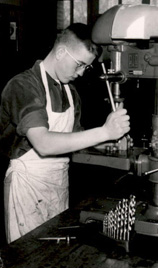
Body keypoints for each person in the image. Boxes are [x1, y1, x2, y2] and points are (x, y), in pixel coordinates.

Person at [0, 23, 130, 243]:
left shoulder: (70, 92)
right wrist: (105, 132)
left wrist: (110, 143)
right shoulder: (23, 86)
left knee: (54, 253)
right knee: (28, 257)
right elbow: (44, 143)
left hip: (58, 184)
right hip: (28, 187)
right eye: (79, 64)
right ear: (61, 52)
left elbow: (74, 137)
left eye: (86, 68)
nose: (80, 73)